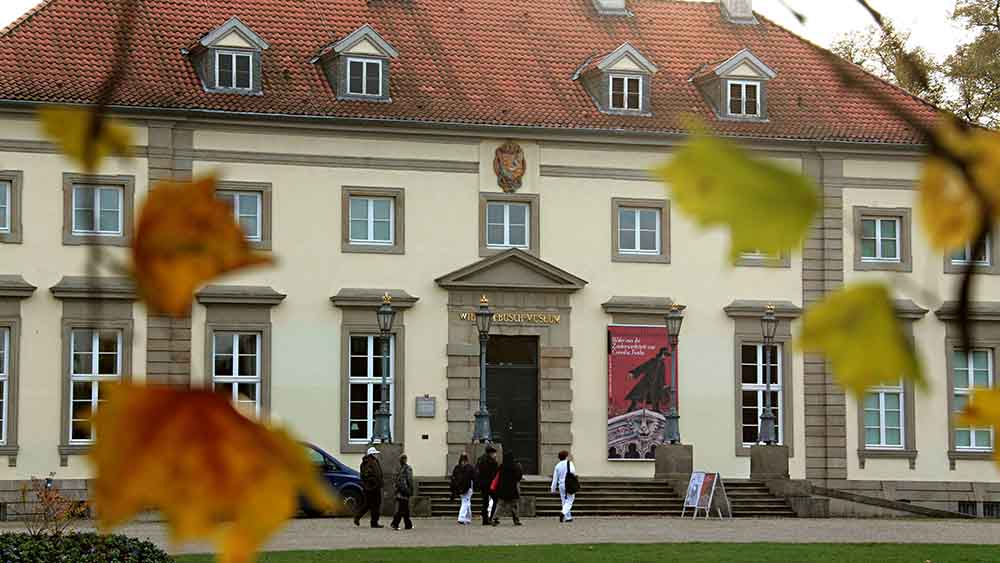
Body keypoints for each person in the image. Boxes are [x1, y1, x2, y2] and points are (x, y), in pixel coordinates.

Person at [626, 347, 669, 413]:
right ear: (661, 354)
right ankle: (629, 411)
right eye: (665, 355)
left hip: (656, 385)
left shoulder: (662, 364)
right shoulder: (653, 361)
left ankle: (656, 411)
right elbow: (643, 367)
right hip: (646, 382)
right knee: (637, 396)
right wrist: (633, 373)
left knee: (656, 398)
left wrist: (663, 385)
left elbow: (662, 376)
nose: (665, 357)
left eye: (666, 355)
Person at [354, 446, 384, 528]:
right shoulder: (370, 462)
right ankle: (374, 523)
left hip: (371, 487)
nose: (377, 455)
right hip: (372, 488)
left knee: (368, 504)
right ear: (372, 454)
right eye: (375, 454)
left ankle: (358, 517)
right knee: (375, 505)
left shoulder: (372, 461)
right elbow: (368, 475)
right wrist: (375, 483)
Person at [494, 451, 523, 526]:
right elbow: (518, 477)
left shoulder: (501, 466)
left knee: (500, 505)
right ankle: (516, 519)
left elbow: (498, 477)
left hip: (503, 489)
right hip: (512, 489)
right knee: (514, 505)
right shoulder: (515, 466)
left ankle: (495, 518)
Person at [475, 445, 499, 526]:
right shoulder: (492, 461)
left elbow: (477, 472)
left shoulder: (480, 460)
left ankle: (485, 519)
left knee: (485, 502)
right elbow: (495, 473)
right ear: (491, 453)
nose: (495, 455)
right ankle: (491, 517)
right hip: (490, 484)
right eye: (494, 453)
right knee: (496, 500)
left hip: (482, 484)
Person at [550, 450, 576, 523]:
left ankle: (568, 517)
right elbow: (573, 472)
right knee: (570, 500)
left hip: (561, 485)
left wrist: (553, 489)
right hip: (569, 484)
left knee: (564, 501)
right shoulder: (569, 463)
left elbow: (555, 479)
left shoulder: (557, 466)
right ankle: (563, 513)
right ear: (566, 456)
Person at [451, 453, 476, 525]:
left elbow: (453, 478)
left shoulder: (457, 468)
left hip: (461, 488)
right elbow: (474, 477)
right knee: (466, 502)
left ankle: (468, 518)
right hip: (467, 488)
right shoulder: (470, 467)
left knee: (466, 502)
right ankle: (461, 517)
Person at [391, 454, 414, 531]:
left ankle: (408, 525)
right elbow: (409, 480)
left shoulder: (398, 469)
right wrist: (410, 490)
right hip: (404, 491)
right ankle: (395, 523)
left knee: (405, 509)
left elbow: (395, 480)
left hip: (399, 491)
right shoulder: (407, 469)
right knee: (402, 509)